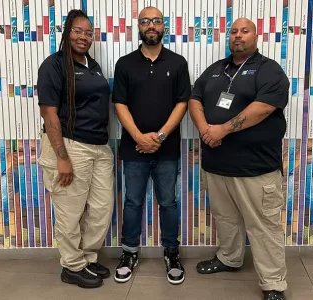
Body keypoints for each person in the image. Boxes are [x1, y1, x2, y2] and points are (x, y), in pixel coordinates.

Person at [189, 18, 289, 300]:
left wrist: (221, 129)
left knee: (264, 227)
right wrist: (205, 129)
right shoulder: (216, 70)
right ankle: (229, 258)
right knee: (226, 219)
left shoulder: (269, 70)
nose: (238, 36)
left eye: (245, 31)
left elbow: (264, 107)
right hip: (217, 165)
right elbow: (195, 98)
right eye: (233, 31)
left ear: (256, 36)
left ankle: (273, 284)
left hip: (255, 168)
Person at [112, 6, 191, 285]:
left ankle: (172, 252)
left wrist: (158, 137)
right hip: (133, 150)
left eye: (156, 20)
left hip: (167, 150)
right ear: (139, 26)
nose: (151, 25)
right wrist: (138, 137)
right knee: (133, 202)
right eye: (145, 21)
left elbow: (183, 103)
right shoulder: (125, 63)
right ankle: (129, 252)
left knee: (168, 202)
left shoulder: (178, 63)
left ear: (163, 26)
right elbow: (119, 103)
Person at [37, 9, 114, 289]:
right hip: (70, 146)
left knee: (101, 208)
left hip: (99, 147)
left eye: (88, 32)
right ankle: (71, 265)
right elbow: (49, 113)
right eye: (78, 31)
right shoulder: (55, 65)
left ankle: (88, 257)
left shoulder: (91, 65)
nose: (84, 36)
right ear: (67, 32)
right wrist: (62, 157)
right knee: (70, 210)